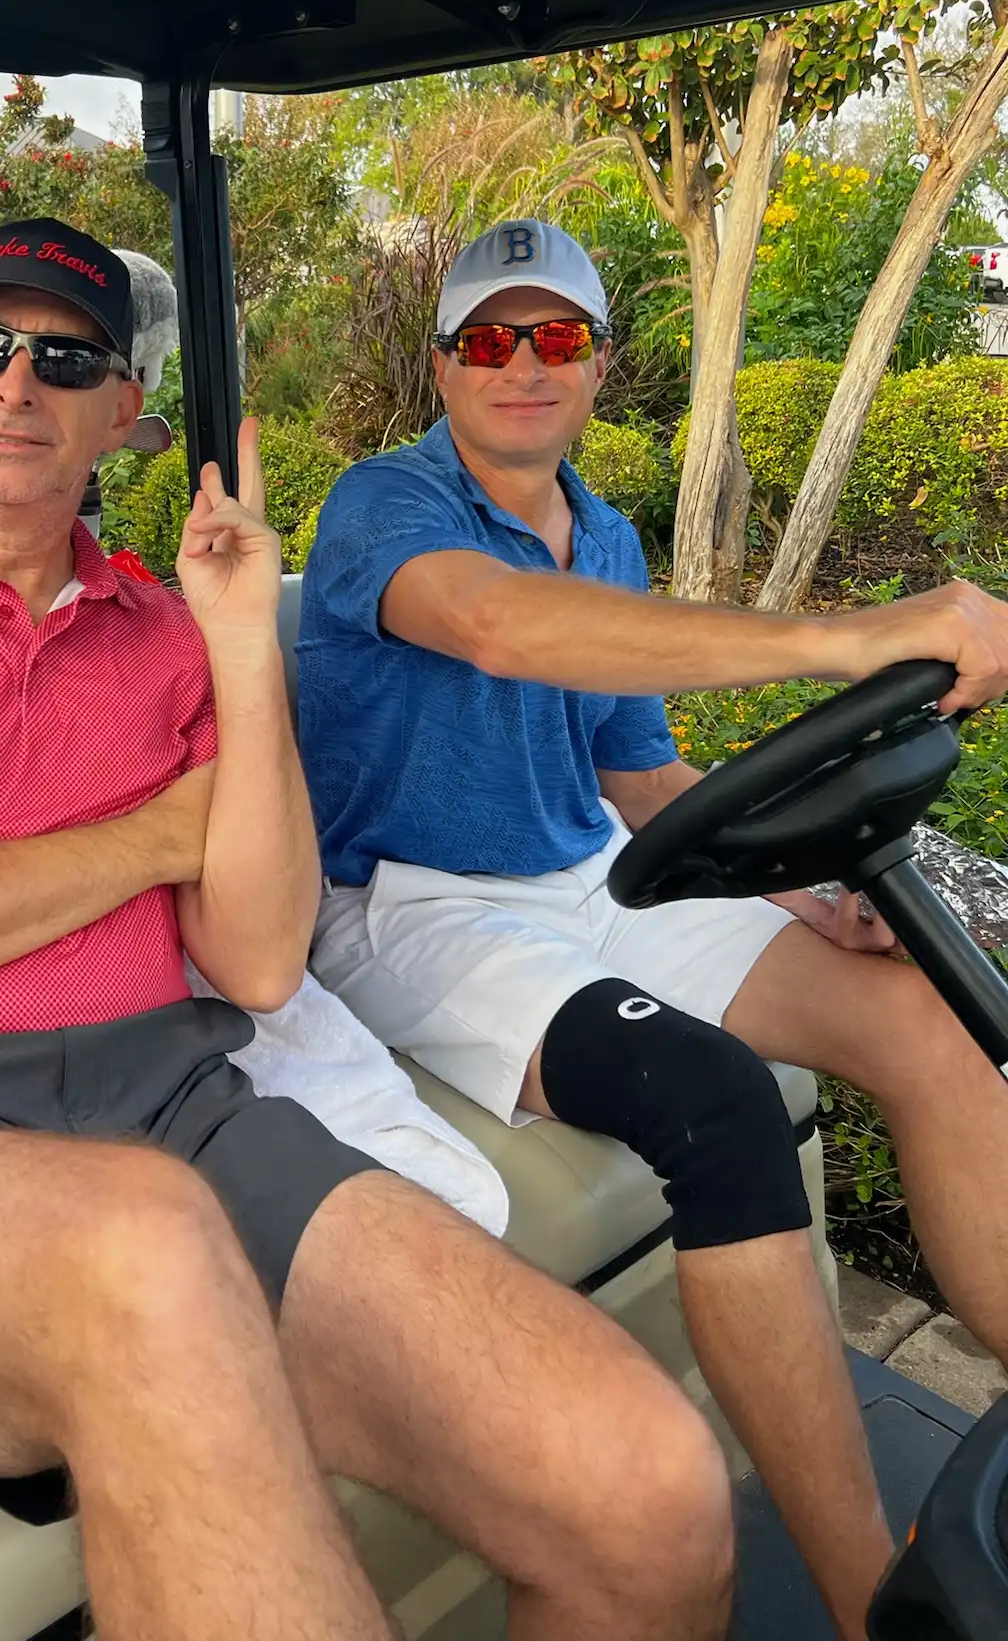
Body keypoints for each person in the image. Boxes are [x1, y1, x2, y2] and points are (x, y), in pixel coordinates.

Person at [0, 217, 734, 1641]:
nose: (18, 385)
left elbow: (252, 961)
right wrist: (147, 838)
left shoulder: (165, 634)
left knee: (646, 1488)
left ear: (122, 412)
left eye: (68, 361)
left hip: (175, 1101)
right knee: (150, 1249)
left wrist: (244, 646)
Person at [297, 217, 1008, 1641]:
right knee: (720, 1103)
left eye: (555, 336)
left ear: (600, 363)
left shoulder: (608, 537)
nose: (521, 363)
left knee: (927, 1015)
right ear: (441, 365)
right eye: (487, 338)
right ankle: (880, 1606)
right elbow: (499, 627)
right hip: (410, 904)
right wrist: (851, 636)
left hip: (591, 876)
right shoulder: (382, 505)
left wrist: (810, 892)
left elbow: (639, 780)